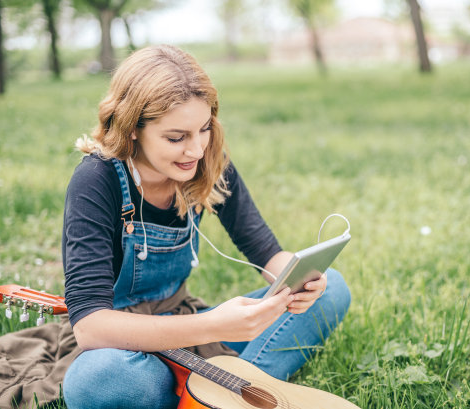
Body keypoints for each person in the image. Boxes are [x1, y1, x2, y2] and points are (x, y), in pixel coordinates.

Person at [61, 44, 351, 409]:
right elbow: (90, 327)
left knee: (332, 289)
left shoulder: (208, 163)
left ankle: (221, 395)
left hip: (187, 325)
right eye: (176, 137)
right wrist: (215, 325)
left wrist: (302, 281)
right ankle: (224, 390)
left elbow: (265, 251)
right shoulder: (96, 179)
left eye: (204, 129)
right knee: (99, 381)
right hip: (122, 346)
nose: (196, 150)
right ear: (132, 127)